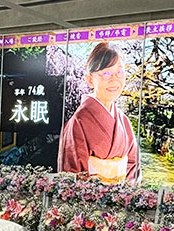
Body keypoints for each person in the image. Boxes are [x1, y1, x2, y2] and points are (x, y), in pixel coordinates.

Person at [58, 42, 141, 184]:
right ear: (90, 80)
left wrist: (126, 194)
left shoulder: (124, 120)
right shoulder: (79, 122)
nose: (114, 79)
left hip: (122, 196)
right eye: (106, 73)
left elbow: (134, 165)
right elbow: (71, 177)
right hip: (91, 196)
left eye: (120, 72)